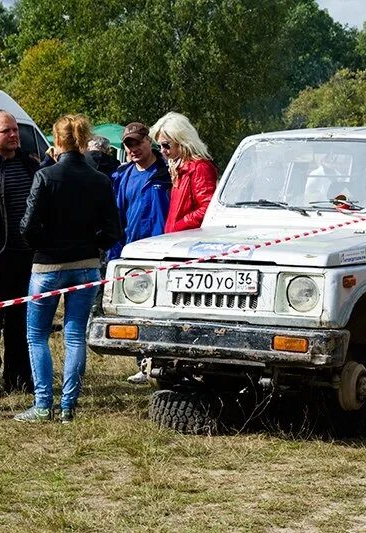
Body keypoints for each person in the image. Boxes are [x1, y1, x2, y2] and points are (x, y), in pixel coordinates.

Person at [15, 114, 121, 423]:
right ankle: (67, 407)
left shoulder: (46, 176)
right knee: (75, 335)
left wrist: (43, 243)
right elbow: (113, 231)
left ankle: (43, 404)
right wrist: (92, 244)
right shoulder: (100, 180)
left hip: (48, 265)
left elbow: (28, 227)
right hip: (87, 265)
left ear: (57, 141)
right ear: (84, 139)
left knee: (37, 336)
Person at [0, 110, 40, 397]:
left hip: (26, 257)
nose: (15, 135)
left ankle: (18, 378)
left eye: (15, 130)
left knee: (21, 321)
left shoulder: (30, 165)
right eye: (7, 131)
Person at [108, 122, 170, 383]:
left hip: (166, 250)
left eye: (137, 142)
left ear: (149, 141)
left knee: (164, 308)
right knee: (138, 309)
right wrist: (115, 254)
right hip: (134, 250)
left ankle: (165, 361)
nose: (133, 149)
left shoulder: (166, 173)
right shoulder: (123, 176)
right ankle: (144, 362)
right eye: (128, 145)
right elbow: (117, 218)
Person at [150, 112, 218, 233]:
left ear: (181, 141)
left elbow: (207, 208)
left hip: (188, 241)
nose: (162, 151)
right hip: (177, 238)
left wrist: (177, 226)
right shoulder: (178, 167)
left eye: (166, 145)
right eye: (159, 146)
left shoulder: (199, 167)